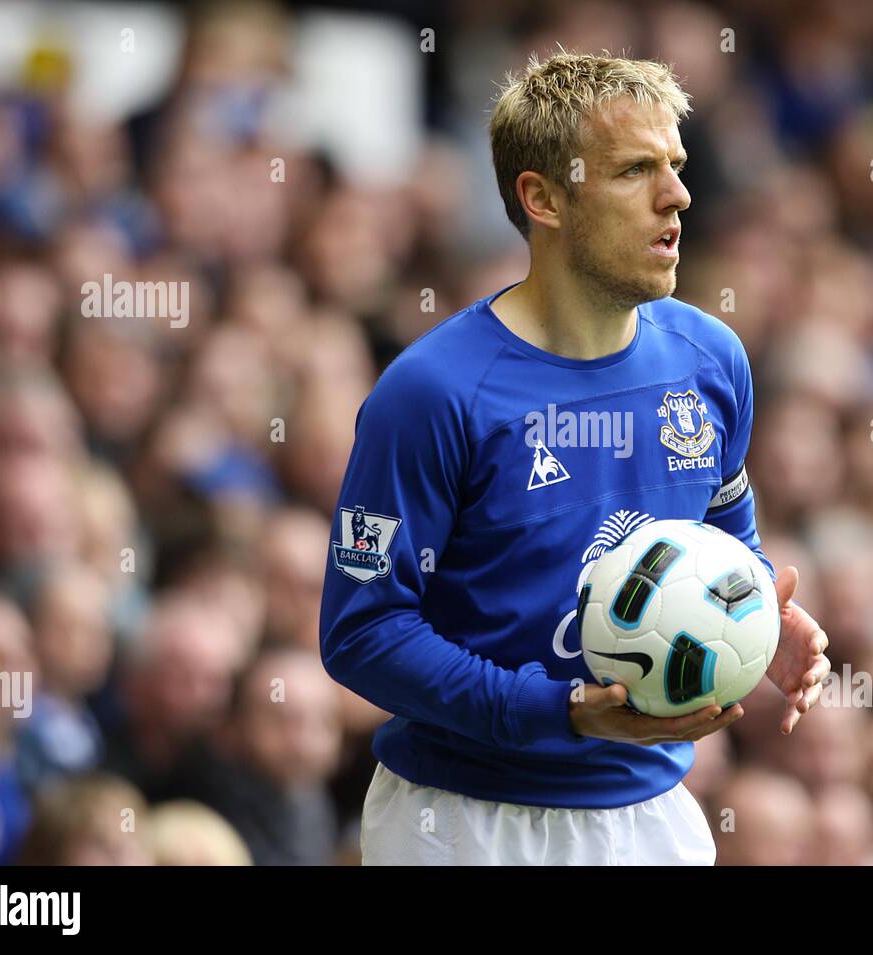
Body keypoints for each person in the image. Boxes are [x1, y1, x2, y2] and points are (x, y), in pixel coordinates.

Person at [319, 51, 830, 866]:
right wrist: (559, 710)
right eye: (635, 171)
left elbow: (727, 541)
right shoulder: (429, 393)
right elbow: (363, 632)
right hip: (460, 820)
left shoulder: (712, 359)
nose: (678, 195)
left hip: (651, 809)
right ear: (543, 197)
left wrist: (758, 614)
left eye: (676, 165)